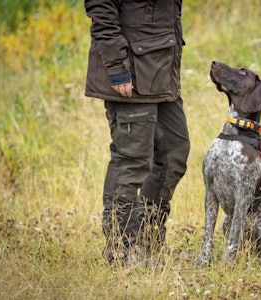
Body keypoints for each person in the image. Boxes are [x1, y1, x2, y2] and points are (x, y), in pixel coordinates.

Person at [84, 0, 190, 266]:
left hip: (162, 74)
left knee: (175, 153)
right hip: (130, 74)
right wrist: (118, 66)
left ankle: (148, 242)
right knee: (132, 161)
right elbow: (101, 8)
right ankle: (123, 251)